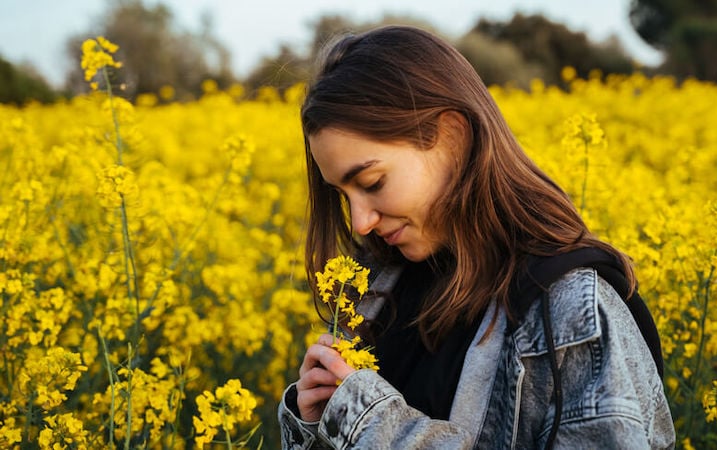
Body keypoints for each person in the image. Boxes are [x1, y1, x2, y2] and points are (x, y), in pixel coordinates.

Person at [277, 25, 675, 449]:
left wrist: (374, 424)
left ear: (453, 137)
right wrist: (316, 425)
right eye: (343, 194)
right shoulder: (381, 286)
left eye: (373, 182)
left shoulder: (569, 306)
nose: (360, 222)